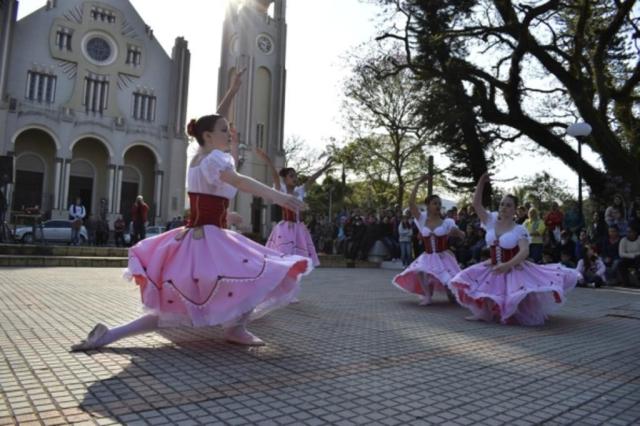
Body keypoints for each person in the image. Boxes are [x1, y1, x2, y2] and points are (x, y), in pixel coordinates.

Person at [71, 72, 312, 351]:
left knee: (177, 306)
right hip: (210, 238)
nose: (229, 132)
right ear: (208, 136)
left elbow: (212, 124)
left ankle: (110, 335)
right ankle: (235, 327)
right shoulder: (214, 159)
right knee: (265, 270)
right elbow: (240, 182)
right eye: (224, 130)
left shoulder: (201, 157)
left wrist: (232, 92)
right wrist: (280, 196)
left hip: (195, 236)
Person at [448, 173, 580, 325]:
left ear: (515, 210)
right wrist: (481, 183)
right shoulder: (490, 221)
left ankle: (511, 312)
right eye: (502, 204)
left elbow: (525, 251)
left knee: (513, 296)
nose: (504, 207)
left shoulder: (519, 229)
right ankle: (485, 313)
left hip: (514, 267)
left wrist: (507, 265)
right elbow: (476, 205)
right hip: (494, 264)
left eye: (508, 205)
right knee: (478, 282)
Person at [392, 174, 464, 305]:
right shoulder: (422, 220)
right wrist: (418, 183)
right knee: (420, 271)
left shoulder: (447, 222)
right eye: (434, 203)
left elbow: (462, 235)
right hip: (428, 255)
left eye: (439, 204)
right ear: (428, 205)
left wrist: (457, 232)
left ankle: (451, 293)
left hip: (443, 255)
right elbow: (411, 203)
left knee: (448, 278)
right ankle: (427, 295)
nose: (437, 206)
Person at [256, 148, 332, 267]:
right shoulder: (281, 189)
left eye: (295, 176)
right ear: (285, 179)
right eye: (291, 176)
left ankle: (292, 278)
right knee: (284, 256)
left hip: (298, 228)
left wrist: (324, 168)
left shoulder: (299, 191)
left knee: (298, 259)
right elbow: (275, 177)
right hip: (285, 227)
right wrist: (268, 160)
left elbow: (311, 180)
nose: (295, 178)